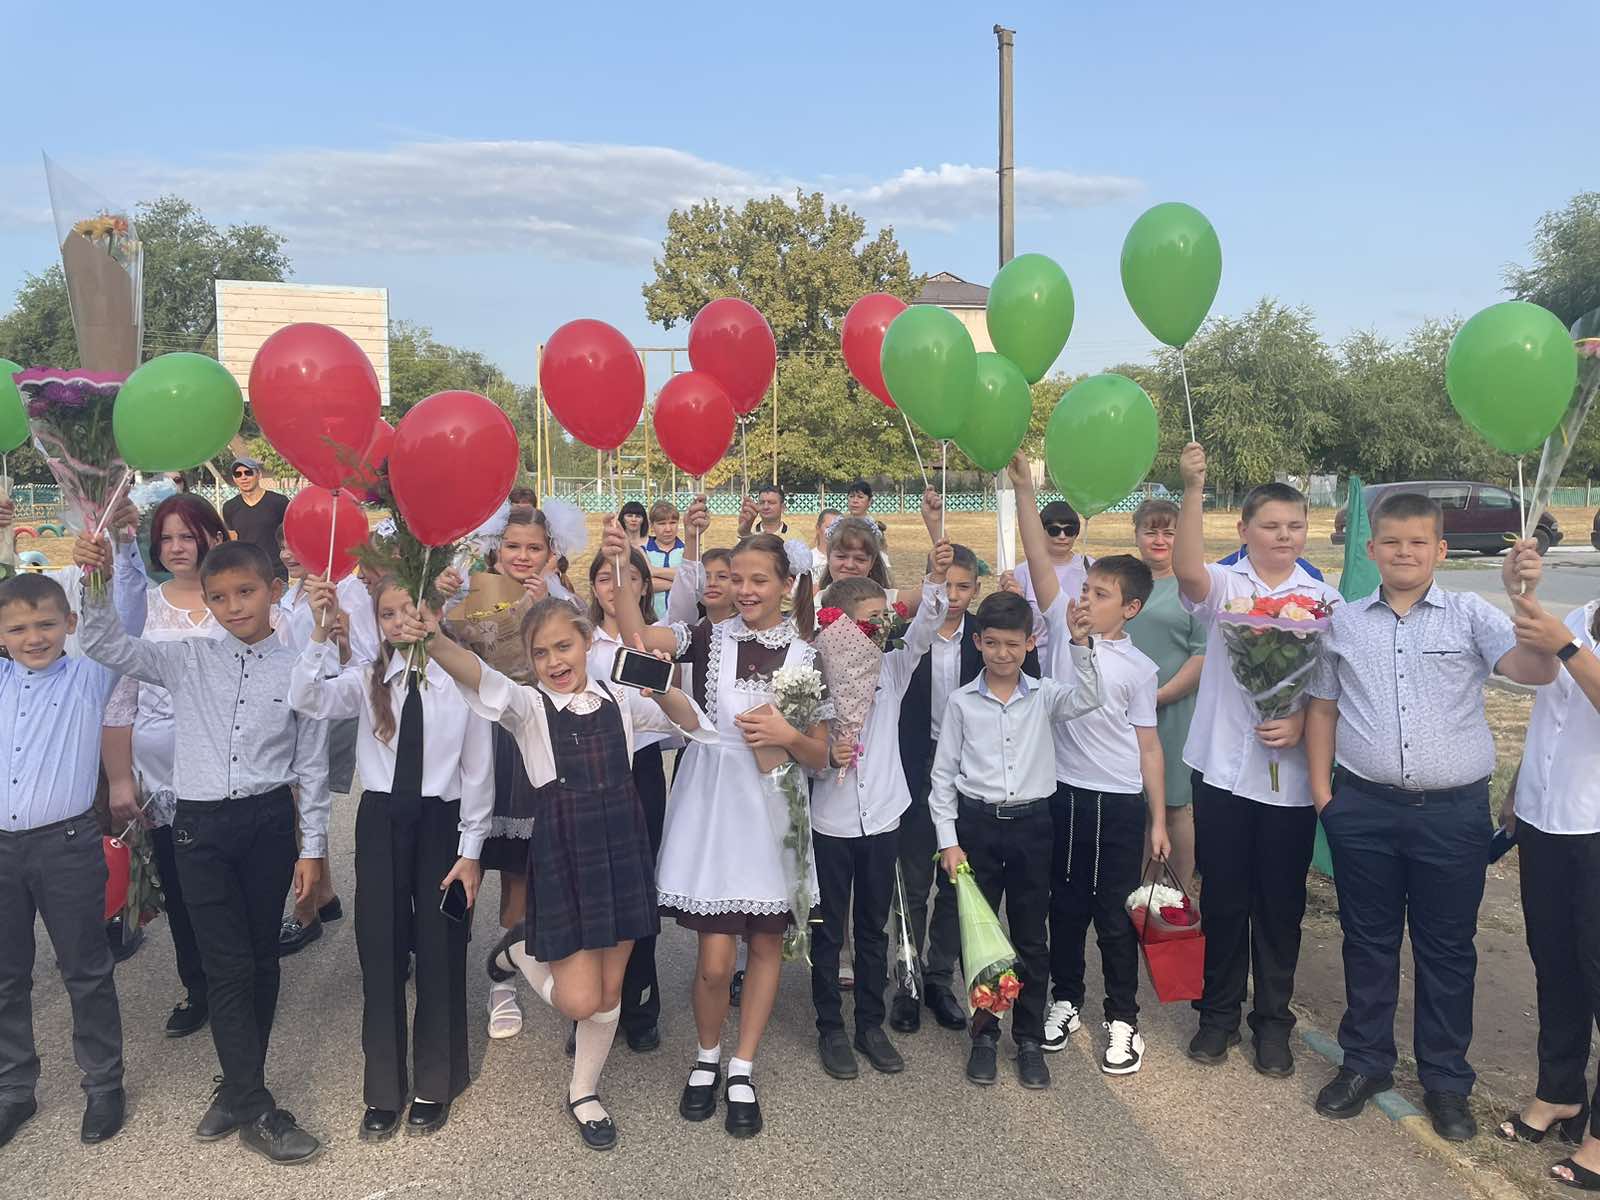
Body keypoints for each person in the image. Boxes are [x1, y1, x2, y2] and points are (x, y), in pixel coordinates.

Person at [74, 535, 330, 1166]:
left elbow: (312, 765)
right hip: (200, 829)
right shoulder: (184, 658)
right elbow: (104, 644)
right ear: (207, 601)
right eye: (219, 597)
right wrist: (97, 580)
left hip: (268, 823)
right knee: (226, 965)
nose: (234, 606)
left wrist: (314, 848)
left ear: (274, 591)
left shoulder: (299, 668)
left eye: (246, 592)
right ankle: (255, 1106)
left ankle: (239, 1087)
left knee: (262, 958)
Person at [1305, 492, 1553, 1141]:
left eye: (1418, 542)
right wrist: (1325, 799)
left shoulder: (1470, 614)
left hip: (1451, 816)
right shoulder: (1342, 623)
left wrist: (1525, 597)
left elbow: (1534, 670)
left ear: (1440, 550)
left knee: (1447, 950)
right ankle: (1365, 1063)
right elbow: (1323, 708)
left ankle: (1446, 1081)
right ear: (1371, 550)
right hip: (1363, 809)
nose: (1405, 552)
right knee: (1368, 941)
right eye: (1392, 542)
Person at [426, 596, 713, 1151]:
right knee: (580, 1001)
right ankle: (517, 952)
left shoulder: (620, 698)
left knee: (610, 995)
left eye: (564, 646)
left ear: (586, 643)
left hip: (622, 850)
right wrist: (431, 638)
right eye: (541, 653)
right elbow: (477, 674)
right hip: (566, 854)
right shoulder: (527, 707)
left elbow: (688, 721)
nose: (555, 661)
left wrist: (663, 687)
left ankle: (584, 1092)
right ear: (530, 660)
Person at [614, 526, 830, 1138]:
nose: (745, 590)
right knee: (713, 962)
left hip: (772, 813)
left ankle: (742, 1067)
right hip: (713, 808)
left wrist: (787, 736)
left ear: (787, 584)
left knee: (764, 949)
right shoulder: (707, 636)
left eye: (759, 580)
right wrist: (621, 566)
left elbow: (822, 754)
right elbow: (636, 638)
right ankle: (706, 1054)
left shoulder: (807, 655)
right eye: (737, 579)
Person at [289, 575, 491, 1142]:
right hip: (381, 819)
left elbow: (478, 771)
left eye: (412, 610)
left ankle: (436, 1080)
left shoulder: (461, 677)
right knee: (379, 950)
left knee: (440, 947)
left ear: (436, 612)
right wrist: (320, 633)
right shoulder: (367, 677)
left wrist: (471, 850)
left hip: (442, 822)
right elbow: (306, 697)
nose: (401, 622)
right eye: (388, 614)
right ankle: (383, 1087)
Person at [1172, 442, 1342, 1078]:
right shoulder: (1226, 584)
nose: (1284, 536)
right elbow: (1187, 570)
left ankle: (1272, 1022)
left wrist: (1299, 720)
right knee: (1224, 899)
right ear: (1244, 529)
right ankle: (1217, 1016)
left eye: (1295, 525)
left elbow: (1330, 686)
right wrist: (1193, 489)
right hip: (1222, 770)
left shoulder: (1322, 600)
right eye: (1270, 526)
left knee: (1279, 906)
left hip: (1289, 782)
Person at [1011, 458, 1167, 1072]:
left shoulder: (1140, 669)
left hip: (1119, 803)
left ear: (1129, 608)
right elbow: (1037, 557)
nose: (1086, 600)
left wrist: (1158, 820)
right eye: (1086, 589)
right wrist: (1024, 488)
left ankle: (1123, 1018)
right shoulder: (1059, 624)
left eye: (1101, 595)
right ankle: (1066, 999)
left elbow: (1148, 747)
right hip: (1062, 793)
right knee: (1066, 908)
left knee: (1113, 914)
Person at [929, 590, 1102, 1090]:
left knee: (1030, 936)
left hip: (1032, 828)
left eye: (1012, 644)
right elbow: (943, 776)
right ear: (978, 643)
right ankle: (984, 1034)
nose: (1002, 654)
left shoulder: (1045, 695)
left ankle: (1027, 1038)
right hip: (977, 829)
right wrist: (949, 841)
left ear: (1030, 643)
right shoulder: (962, 703)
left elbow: (1090, 697)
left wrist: (1081, 644)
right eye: (992, 643)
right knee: (981, 938)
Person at [0, 570, 142, 1150]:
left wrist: (118, 556)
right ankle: (14, 1088)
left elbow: (126, 616)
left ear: (71, 624)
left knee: (84, 968)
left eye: (46, 624)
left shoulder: (89, 676)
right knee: (6, 975)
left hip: (65, 843)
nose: (34, 638)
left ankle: (103, 1084)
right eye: (17, 628)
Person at [809, 548, 951, 1081]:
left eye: (884, 618)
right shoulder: (814, 670)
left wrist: (934, 576)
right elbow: (802, 742)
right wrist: (826, 755)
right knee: (829, 930)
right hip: (831, 819)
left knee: (873, 927)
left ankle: (870, 1023)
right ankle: (830, 1025)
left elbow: (926, 626)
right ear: (843, 626)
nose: (882, 626)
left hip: (883, 817)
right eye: (872, 619)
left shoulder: (893, 667)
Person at [893, 543, 1037, 1036]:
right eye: (946, 585)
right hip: (916, 765)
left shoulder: (987, 639)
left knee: (957, 882)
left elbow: (1029, 682)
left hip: (972, 772)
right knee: (913, 880)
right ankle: (907, 978)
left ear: (976, 589)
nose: (953, 596)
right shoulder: (909, 635)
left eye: (963, 587)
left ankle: (940, 978)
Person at [100, 494, 231, 1039]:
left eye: (188, 535)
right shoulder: (144, 607)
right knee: (179, 891)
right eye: (167, 538)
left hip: (228, 774)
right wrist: (120, 779)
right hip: (163, 782)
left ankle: (236, 984)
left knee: (228, 888)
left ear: (214, 538)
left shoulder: (234, 600)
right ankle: (197, 987)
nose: (177, 548)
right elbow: (120, 699)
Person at [457, 506, 572, 1040]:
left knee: (538, 870)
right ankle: (475, 971)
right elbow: (463, 657)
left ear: (550, 552)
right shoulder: (472, 595)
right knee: (490, 866)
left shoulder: (562, 601)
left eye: (533, 547)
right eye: (513, 546)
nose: (523, 557)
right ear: (496, 549)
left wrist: (546, 604)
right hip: (487, 737)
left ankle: (523, 972)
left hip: (541, 738)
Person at [1499, 594, 1600, 1188]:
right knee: (1556, 963)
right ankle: (1560, 1090)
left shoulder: (1571, 633)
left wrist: (1567, 646)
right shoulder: (1582, 613)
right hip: (1546, 816)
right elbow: (1554, 713)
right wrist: (1518, 788)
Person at [585, 546, 673, 1053]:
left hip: (640, 771)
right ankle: (592, 1007)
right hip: (589, 772)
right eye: (605, 578)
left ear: (644, 586)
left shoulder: (654, 643)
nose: (616, 587)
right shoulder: (581, 641)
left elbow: (670, 719)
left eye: (629, 578)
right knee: (594, 890)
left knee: (640, 888)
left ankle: (640, 1003)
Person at [274, 525, 370, 953]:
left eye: (296, 545)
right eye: (282, 546)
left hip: (327, 700)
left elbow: (361, 653)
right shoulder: (291, 593)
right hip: (293, 703)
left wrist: (340, 639)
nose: (287, 554)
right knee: (299, 802)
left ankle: (306, 910)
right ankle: (324, 894)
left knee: (304, 801)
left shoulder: (345, 589)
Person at [1126, 498, 1206, 891]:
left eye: (1169, 532)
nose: (1159, 540)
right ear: (1136, 534)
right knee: (1137, 807)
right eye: (1151, 531)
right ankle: (1143, 894)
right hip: (1122, 712)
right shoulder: (1125, 582)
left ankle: (1177, 896)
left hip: (1172, 710)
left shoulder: (1194, 587)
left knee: (1173, 805)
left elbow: (1202, 654)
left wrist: (1158, 696)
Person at [1013, 496, 1093, 662]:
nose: (1062, 536)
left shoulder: (1091, 567)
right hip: (1036, 662)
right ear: (1040, 532)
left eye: (1069, 530)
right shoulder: (1023, 571)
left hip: (1080, 660)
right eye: (1054, 530)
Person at [221, 458, 290, 582]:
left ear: (259, 475)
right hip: (245, 572)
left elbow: (289, 534)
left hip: (275, 571)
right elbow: (233, 540)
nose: (243, 477)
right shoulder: (230, 507)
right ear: (234, 479)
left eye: (248, 473)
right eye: (238, 474)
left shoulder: (279, 502)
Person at [643, 501, 685, 623]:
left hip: (681, 623)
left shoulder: (688, 551)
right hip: (650, 622)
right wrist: (679, 583)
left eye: (672, 523)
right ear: (652, 526)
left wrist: (653, 571)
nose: (668, 529)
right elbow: (643, 585)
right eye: (662, 524)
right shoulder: (643, 551)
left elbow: (691, 578)